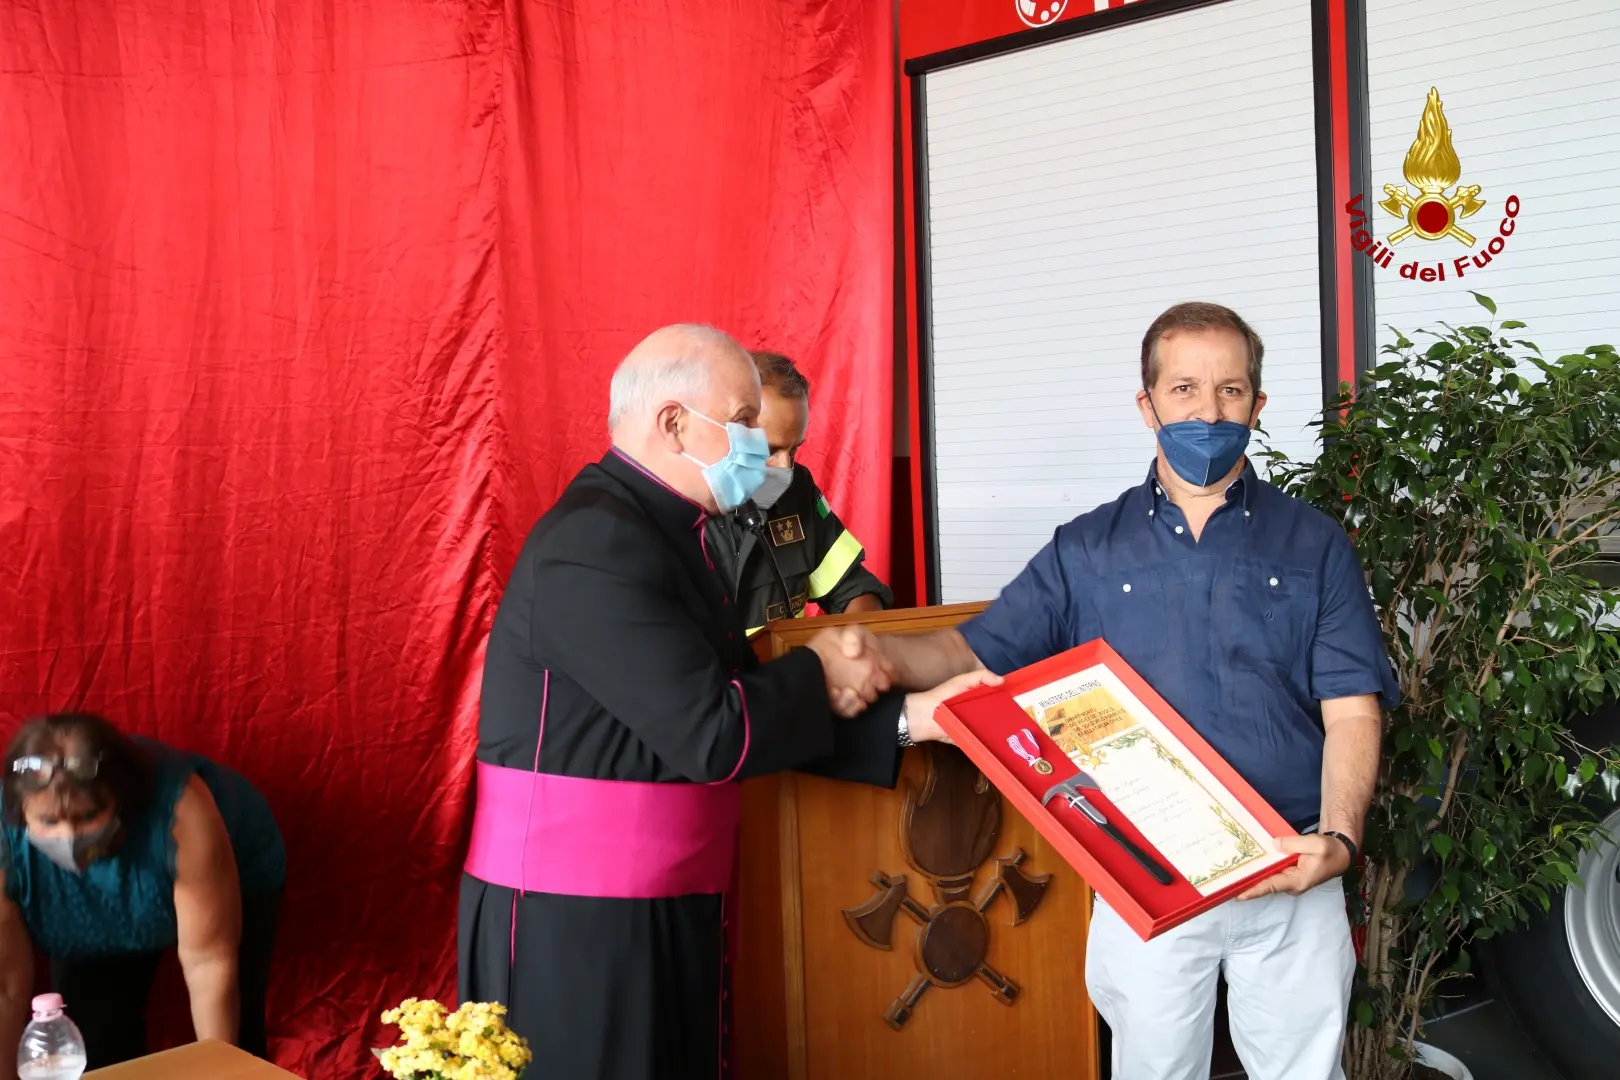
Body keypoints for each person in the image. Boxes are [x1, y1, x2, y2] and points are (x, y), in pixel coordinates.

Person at [868, 302, 1399, 1080]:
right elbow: (972, 654)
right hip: (1143, 877)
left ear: (1258, 404)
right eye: (1185, 389)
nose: (1209, 411)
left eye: (1231, 390)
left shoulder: (1314, 543)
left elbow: (1354, 706)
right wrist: (870, 664)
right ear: (1147, 405)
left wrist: (1341, 842)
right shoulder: (1085, 549)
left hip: (1292, 864)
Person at [456, 323, 992, 1080]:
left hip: (665, 896)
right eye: (743, 421)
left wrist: (918, 719)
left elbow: (752, 705)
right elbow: (717, 732)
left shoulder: (673, 534)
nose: (758, 446)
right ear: (673, 423)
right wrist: (821, 663)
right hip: (572, 916)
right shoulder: (596, 543)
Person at [0, 713, 286, 1073]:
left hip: (225, 875)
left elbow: (209, 963)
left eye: (88, 815)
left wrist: (223, 1070)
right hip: (87, 910)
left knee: (239, 1038)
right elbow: (5, 985)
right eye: (49, 821)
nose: (67, 835)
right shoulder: (3, 841)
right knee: (95, 1040)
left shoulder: (183, 812)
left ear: (118, 799)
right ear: (21, 812)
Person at [703, 350, 893, 634]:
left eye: (794, 449)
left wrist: (854, 643)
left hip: (789, 674)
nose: (785, 467)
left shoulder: (798, 490)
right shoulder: (670, 508)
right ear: (724, 433)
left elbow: (854, 590)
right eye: (769, 450)